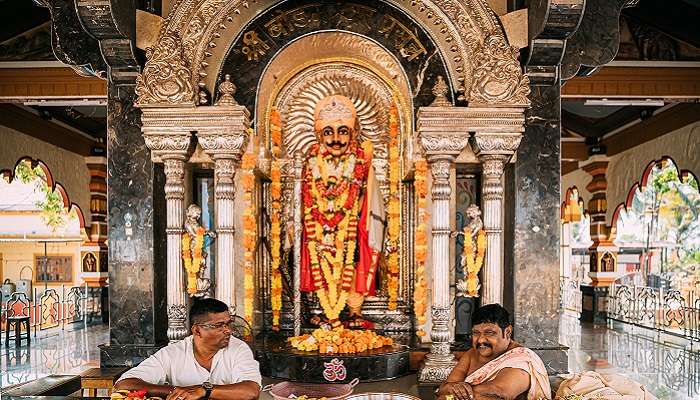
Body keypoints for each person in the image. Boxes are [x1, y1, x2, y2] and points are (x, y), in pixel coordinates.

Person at [299, 94, 385, 328]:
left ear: (353, 134)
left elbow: (370, 196)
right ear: (319, 135)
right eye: (328, 132)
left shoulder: (361, 161)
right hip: (319, 226)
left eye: (343, 131)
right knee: (323, 264)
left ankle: (354, 311)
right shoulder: (310, 164)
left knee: (354, 264)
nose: (336, 139)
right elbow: (305, 197)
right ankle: (330, 313)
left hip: (353, 225)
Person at [114, 298, 260, 400]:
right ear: (197, 331)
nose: (228, 330)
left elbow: (251, 391)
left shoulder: (239, 349)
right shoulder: (173, 353)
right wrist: (177, 392)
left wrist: (204, 391)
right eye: (219, 325)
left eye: (228, 324)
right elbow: (124, 384)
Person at [438, 304, 551, 400]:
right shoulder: (472, 354)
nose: (481, 340)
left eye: (489, 333)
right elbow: (443, 389)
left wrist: (455, 392)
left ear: (507, 332)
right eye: (476, 333)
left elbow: (500, 392)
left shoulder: (521, 360)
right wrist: (453, 389)